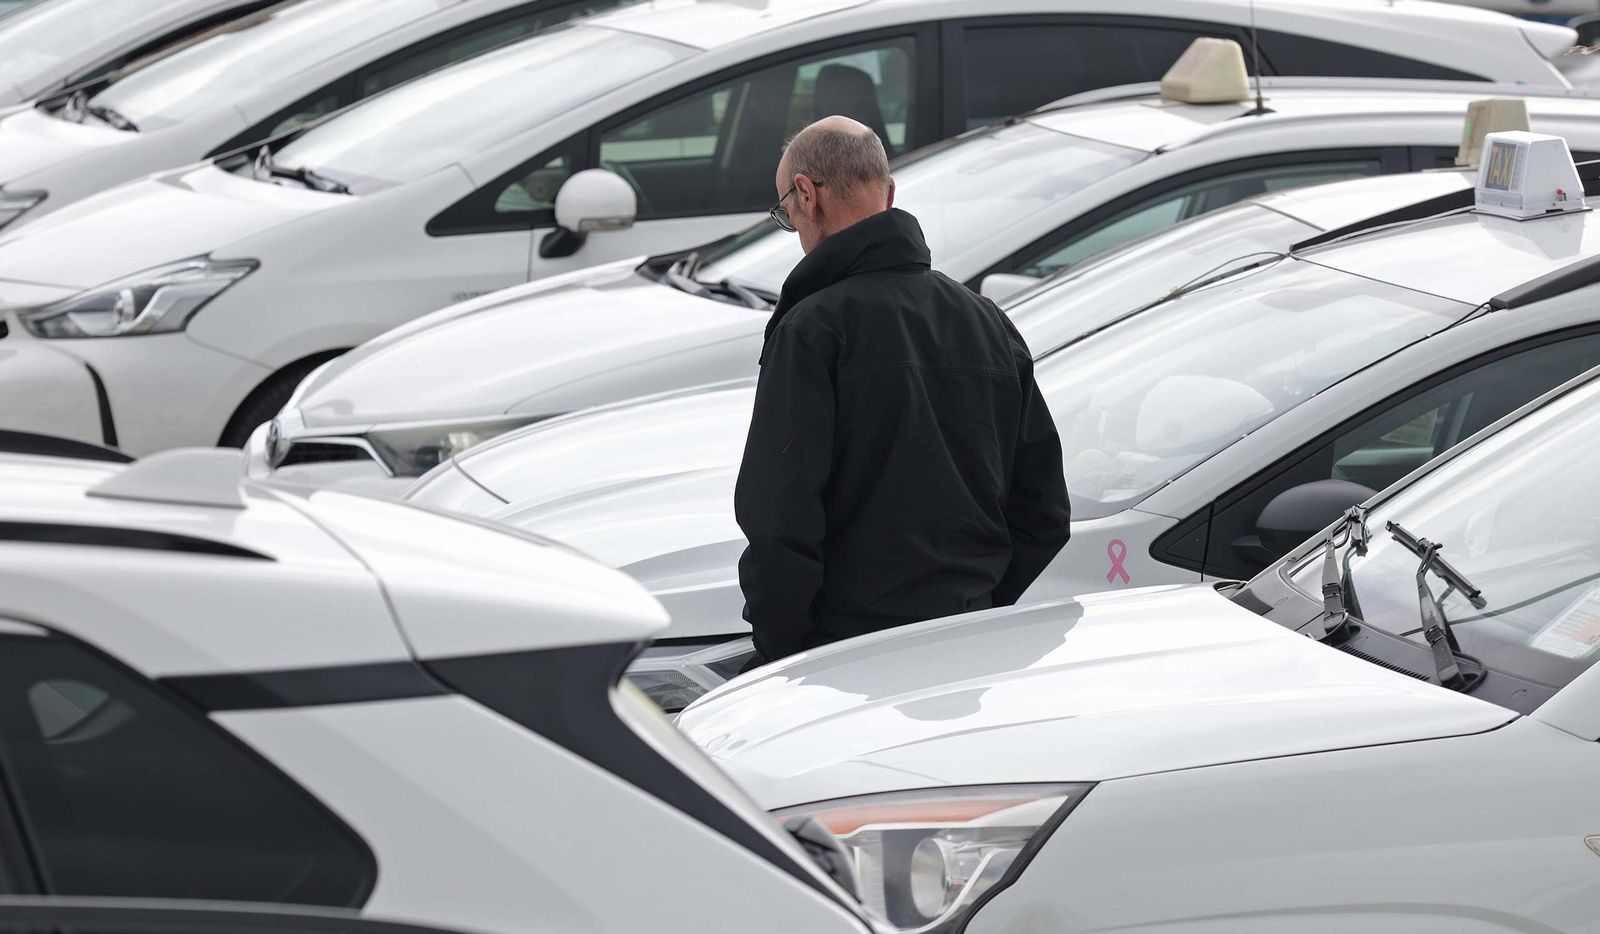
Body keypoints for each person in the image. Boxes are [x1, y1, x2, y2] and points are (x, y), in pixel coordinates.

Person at [734, 115, 1071, 667]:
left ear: (805, 193)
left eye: (785, 214)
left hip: (845, 652)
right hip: (968, 640)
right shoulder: (985, 320)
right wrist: (981, 599)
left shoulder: (814, 328)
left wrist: (785, 650)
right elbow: (1043, 510)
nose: (793, 229)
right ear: (889, 193)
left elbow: (780, 517)